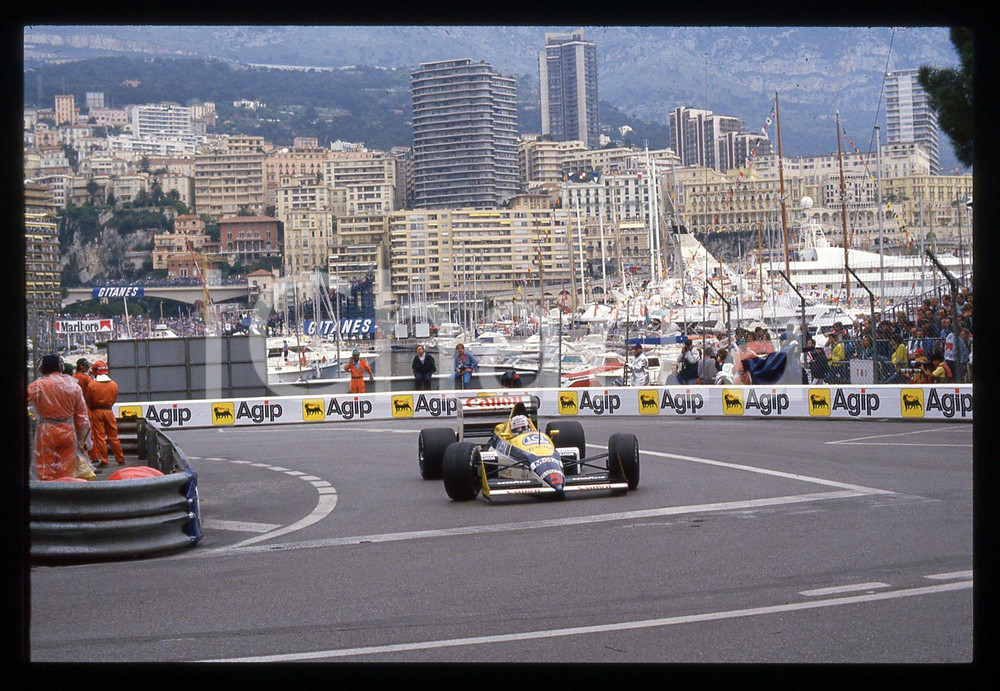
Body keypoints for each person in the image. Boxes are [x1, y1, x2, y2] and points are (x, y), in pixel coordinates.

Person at [27, 354, 92, 481]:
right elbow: (82, 416)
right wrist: (83, 440)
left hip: (46, 431)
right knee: (65, 471)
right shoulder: (73, 386)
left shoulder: (37, 386)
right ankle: (62, 495)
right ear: (61, 367)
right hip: (67, 430)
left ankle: (47, 498)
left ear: (42, 369)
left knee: (45, 471)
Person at [84, 360, 125, 467]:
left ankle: (104, 460)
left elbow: (88, 400)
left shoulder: (92, 385)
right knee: (113, 436)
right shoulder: (114, 384)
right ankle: (120, 459)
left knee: (100, 437)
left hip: (96, 411)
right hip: (109, 411)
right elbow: (115, 397)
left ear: (95, 371)